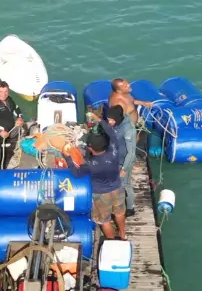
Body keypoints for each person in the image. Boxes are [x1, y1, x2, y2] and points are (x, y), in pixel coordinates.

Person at [62, 107, 128, 240]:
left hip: (101, 194)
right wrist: (100, 120)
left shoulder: (90, 164)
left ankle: (112, 241)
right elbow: (111, 133)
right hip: (117, 188)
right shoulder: (113, 151)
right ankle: (122, 234)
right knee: (119, 212)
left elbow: (76, 172)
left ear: (91, 148)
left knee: (105, 220)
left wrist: (67, 157)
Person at [108, 78, 154, 217]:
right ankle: (130, 207)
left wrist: (143, 103)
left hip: (131, 132)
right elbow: (116, 122)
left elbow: (132, 101)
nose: (129, 86)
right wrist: (131, 134)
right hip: (127, 135)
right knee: (125, 183)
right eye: (126, 85)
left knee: (124, 181)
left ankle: (128, 205)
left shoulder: (125, 94)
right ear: (118, 90)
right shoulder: (118, 102)